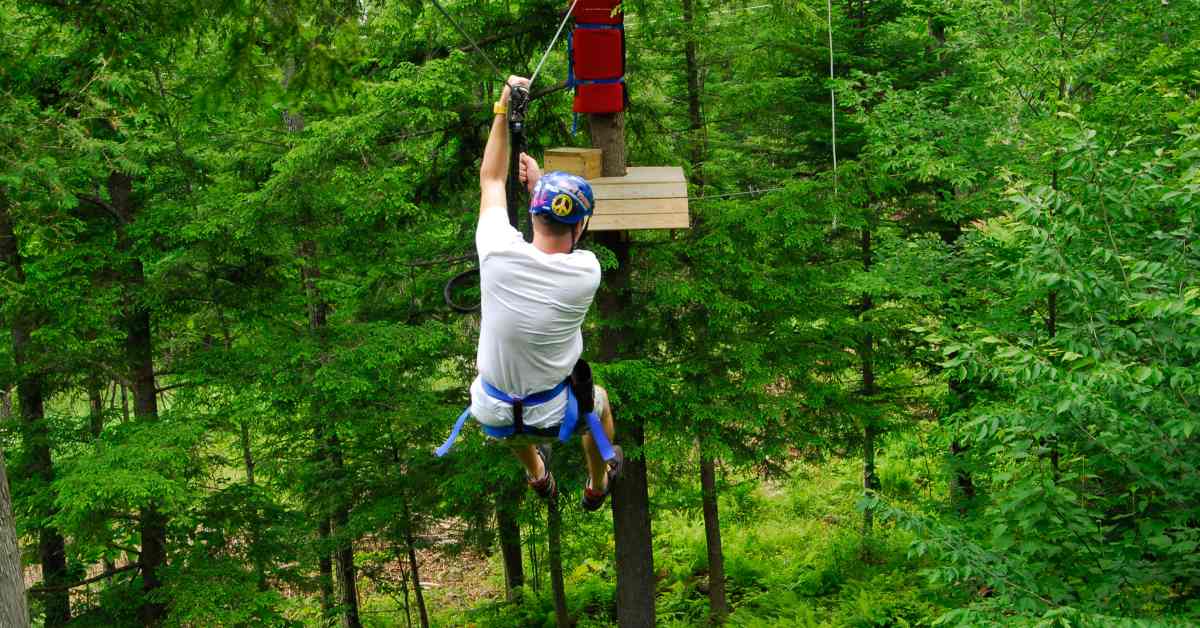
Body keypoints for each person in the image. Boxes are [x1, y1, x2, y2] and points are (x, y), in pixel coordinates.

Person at [470, 75, 619, 510]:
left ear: (534, 214)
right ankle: (598, 481)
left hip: (493, 413)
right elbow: (565, 238)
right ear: (581, 227)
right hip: (552, 413)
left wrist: (503, 107)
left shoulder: (495, 248)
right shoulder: (585, 273)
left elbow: (491, 179)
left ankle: (537, 473)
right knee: (599, 402)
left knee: (495, 379)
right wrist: (540, 185)